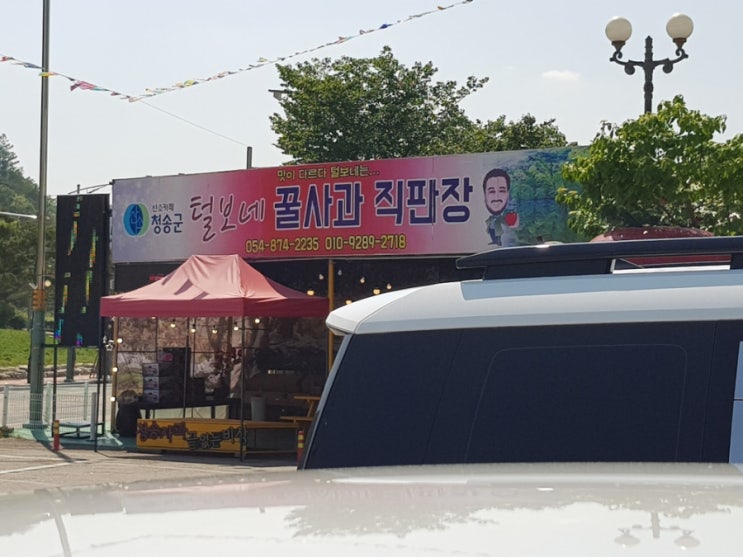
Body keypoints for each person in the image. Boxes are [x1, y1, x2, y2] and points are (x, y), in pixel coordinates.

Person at [482, 168, 519, 246]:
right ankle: (495, 241)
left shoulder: (513, 216)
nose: (496, 197)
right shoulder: (484, 218)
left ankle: (498, 241)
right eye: (492, 191)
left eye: (502, 191)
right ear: (484, 194)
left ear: (508, 193)